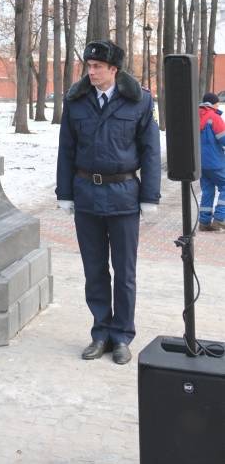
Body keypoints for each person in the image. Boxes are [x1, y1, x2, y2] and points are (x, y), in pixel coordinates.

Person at [56, 40, 161, 365]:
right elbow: (66, 150)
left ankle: (122, 336)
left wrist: (150, 197)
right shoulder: (76, 101)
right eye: (88, 66)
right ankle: (100, 332)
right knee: (94, 270)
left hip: (123, 197)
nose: (91, 72)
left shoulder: (139, 101)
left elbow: (150, 151)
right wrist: (64, 193)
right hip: (87, 195)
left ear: (113, 69)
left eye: (97, 67)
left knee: (125, 272)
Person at [197, 92, 225, 232]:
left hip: (200, 163)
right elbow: (223, 139)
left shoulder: (195, 116)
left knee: (207, 191)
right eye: (217, 103)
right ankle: (220, 218)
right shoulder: (214, 117)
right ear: (213, 103)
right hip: (215, 162)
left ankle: (204, 222)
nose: (218, 105)